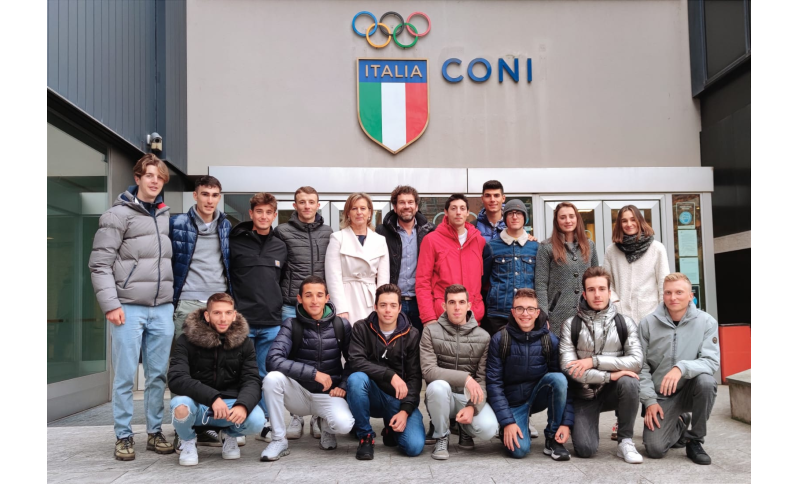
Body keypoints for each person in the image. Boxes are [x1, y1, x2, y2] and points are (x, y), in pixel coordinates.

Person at [88, 154, 175, 461]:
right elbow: (99, 264)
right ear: (137, 178)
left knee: (157, 376)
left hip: (162, 308)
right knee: (125, 376)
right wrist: (110, 305)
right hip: (128, 307)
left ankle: (154, 431)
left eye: (160, 177)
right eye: (149, 175)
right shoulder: (116, 215)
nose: (154, 181)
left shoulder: (164, 215)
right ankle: (123, 435)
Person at [169, 175, 234, 448]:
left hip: (218, 304)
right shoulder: (177, 224)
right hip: (187, 301)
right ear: (195, 195)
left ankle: (206, 424)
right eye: (205, 194)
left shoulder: (226, 225)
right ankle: (182, 426)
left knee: (215, 367)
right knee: (185, 367)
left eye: (215, 195)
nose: (210, 200)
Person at [260, 276, 355, 461]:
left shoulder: (341, 325)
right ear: (300, 298)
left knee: (344, 425)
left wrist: (343, 385)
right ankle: (279, 440)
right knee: (272, 379)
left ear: (327, 298)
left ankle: (326, 426)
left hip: (328, 394)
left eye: (319, 295)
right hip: (299, 394)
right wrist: (313, 374)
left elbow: (354, 360)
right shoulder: (291, 324)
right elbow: (272, 360)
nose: (314, 300)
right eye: (308, 295)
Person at [168, 293, 265, 466]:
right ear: (207, 315)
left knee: (257, 419)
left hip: (229, 407)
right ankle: (188, 441)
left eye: (228, 313)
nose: (223, 318)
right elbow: (176, 378)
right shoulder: (186, 340)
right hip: (198, 405)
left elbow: (252, 380)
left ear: (234, 315)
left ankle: (230, 435)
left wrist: (242, 405)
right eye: (217, 313)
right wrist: (213, 398)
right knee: (180, 406)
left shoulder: (244, 343)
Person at [559, 267, 644, 464]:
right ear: (584, 294)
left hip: (613, 392)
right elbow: (570, 368)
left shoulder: (625, 323)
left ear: (609, 292)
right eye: (591, 289)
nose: (597, 295)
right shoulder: (571, 325)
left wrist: (594, 361)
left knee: (630, 382)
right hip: (584, 394)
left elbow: (636, 362)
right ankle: (583, 426)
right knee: (585, 449)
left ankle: (625, 441)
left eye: (601, 289)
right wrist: (609, 375)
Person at [603, 205, 669, 440]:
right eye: (624, 221)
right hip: (622, 321)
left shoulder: (657, 248)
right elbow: (607, 283)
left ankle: (655, 415)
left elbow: (664, 283)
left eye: (633, 219)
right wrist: (617, 305)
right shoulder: (612, 250)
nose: (629, 224)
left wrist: (661, 316)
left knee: (651, 368)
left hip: (651, 319)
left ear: (640, 221)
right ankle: (621, 421)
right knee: (625, 371)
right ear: (619, 224)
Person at [639, 273, 720, 465]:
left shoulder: (707, 322)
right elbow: (640, 366)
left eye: (679, 292)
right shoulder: (647, 323)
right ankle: (680, 423)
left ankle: (695, 440)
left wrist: (681, 367)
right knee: (655, 449)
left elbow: (711, 362)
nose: (673, 297)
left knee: (707, 382)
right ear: (663, 295)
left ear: (691, 296)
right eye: (668, 293)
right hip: (661, 395)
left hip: (691, 390)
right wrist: (649, 401)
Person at [273, 186, 333, 440]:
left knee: (320, 357)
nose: (307, 206)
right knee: (293, 357)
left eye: (311, 202)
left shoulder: (329, 233)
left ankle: (318, 415)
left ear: (318, 205)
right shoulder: (282, 232)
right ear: (294, 205)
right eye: (302, 202)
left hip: (320, 305)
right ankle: (296, 415)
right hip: (291, 304)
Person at [486, 288, 573, 461]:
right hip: (513, 402)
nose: (525, 314)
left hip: (537, 396)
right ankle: (510, 427)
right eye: (520, 308)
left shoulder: (549, 340)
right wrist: (507, 422)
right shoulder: (500, 339)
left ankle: (552, 439)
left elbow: (565, 386)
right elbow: (494, 384)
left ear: (537, 312)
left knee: (559, 379)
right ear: (513, 312)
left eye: (530, 309)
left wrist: (566, 423)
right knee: (520, 451)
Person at [229, 192, 288, 443]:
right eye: (259, 212)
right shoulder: (234, 241)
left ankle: (263, 422)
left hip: (271, 321)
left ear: (274, 215)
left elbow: (281, 281)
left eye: (268, 212)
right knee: (238, 373)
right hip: (241, 321)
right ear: (251, 213)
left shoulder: (280, 245)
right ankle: (237, 424)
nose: (264, 216)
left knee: (265, 374)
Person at [347, 284, 425, 460]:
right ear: (375, 307)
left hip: (397, 399)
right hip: (371, 394)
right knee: (356, 379)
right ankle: (365, 436)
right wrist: (390, 375)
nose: (387, 310)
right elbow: (356, 361)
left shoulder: (412, 334)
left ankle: (391, 428)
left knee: (414, 446)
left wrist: (405, 411)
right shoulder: (361, 328)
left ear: (400, 308)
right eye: (383, 305)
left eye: (392, 305)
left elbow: (414, 377)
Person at [420, 284, 497, 460]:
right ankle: (441, 435)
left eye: (461, 302)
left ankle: (464, 428)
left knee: (489, 429)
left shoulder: (483, 337)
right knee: (438, 387)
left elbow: (482, 379)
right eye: (452, 302)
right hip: (441, 396)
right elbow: (429, 371)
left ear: (469, 305)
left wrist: (472, 407)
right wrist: (465, 379)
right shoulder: (430, 332)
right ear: (444, 306)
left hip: (466, 397)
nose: (457, 307)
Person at [416, 194, 486, 325]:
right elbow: (422, 282)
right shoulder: (431, 240)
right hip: (442, 316)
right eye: (453, 208)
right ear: (446, 212)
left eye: (462, 208)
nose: (458, 212)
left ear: (467, 212)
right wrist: (428, 317)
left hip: (472, 317)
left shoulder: (479, 241)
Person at [375, 185, 435, 334]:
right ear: (395, 207)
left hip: (421, 301)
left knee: (422, 342)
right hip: (393, 301)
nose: (406, 206)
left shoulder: (430, 231)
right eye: (402, 202)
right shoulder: (382, 232)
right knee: (393, 342)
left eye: (410, 202)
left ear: (416, 206)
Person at [325, 192, 390, 325]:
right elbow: (333, 276)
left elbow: (383, 278)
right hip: (347, 297)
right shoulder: (338, 238)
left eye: (363, 208)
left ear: (369, 212)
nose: (359, 212)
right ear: (348, 213)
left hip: (371, 298)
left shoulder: (380, 240)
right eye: (354, 208)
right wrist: (340, 307)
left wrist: (382, 304)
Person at [535, 202, 599, 336]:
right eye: (562, 217)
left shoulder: (589, 245)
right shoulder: (546, 247)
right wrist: (543, 315)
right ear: (557, 221)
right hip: (557, 315)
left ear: (577, 218)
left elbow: (596, 279)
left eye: (571, 216)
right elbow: (540, 284)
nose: (568, 221)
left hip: (587, 313)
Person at [482, 199, 539, 337]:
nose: (514, 217)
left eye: (518, 213)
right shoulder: (492, 246)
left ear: (525, 218)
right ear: (505, 218)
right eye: (510, 213)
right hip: (498, 313)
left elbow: (540, 281)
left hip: (527, 313)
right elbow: (482, 279)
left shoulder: (536, 247)